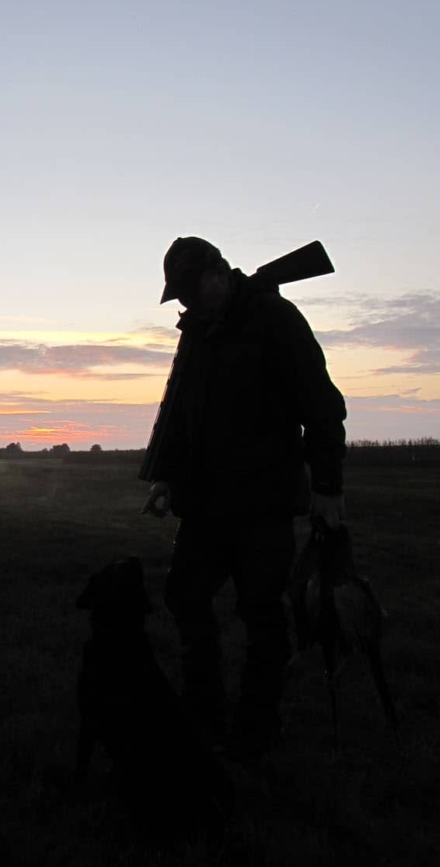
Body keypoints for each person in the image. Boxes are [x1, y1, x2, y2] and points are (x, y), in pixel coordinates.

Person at [141, 236, 346, 763]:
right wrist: (164, 476)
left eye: (190, 290)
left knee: (261, 615)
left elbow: (321, 407)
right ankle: (203, 714)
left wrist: (327, 488)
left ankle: (255, 731)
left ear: (217, 273)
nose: (185, 303)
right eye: (179, 296)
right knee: (185, 595)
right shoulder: (197, 330)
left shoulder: (275, 319)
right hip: (205, 502)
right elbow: (179, 403)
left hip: (263, 499)